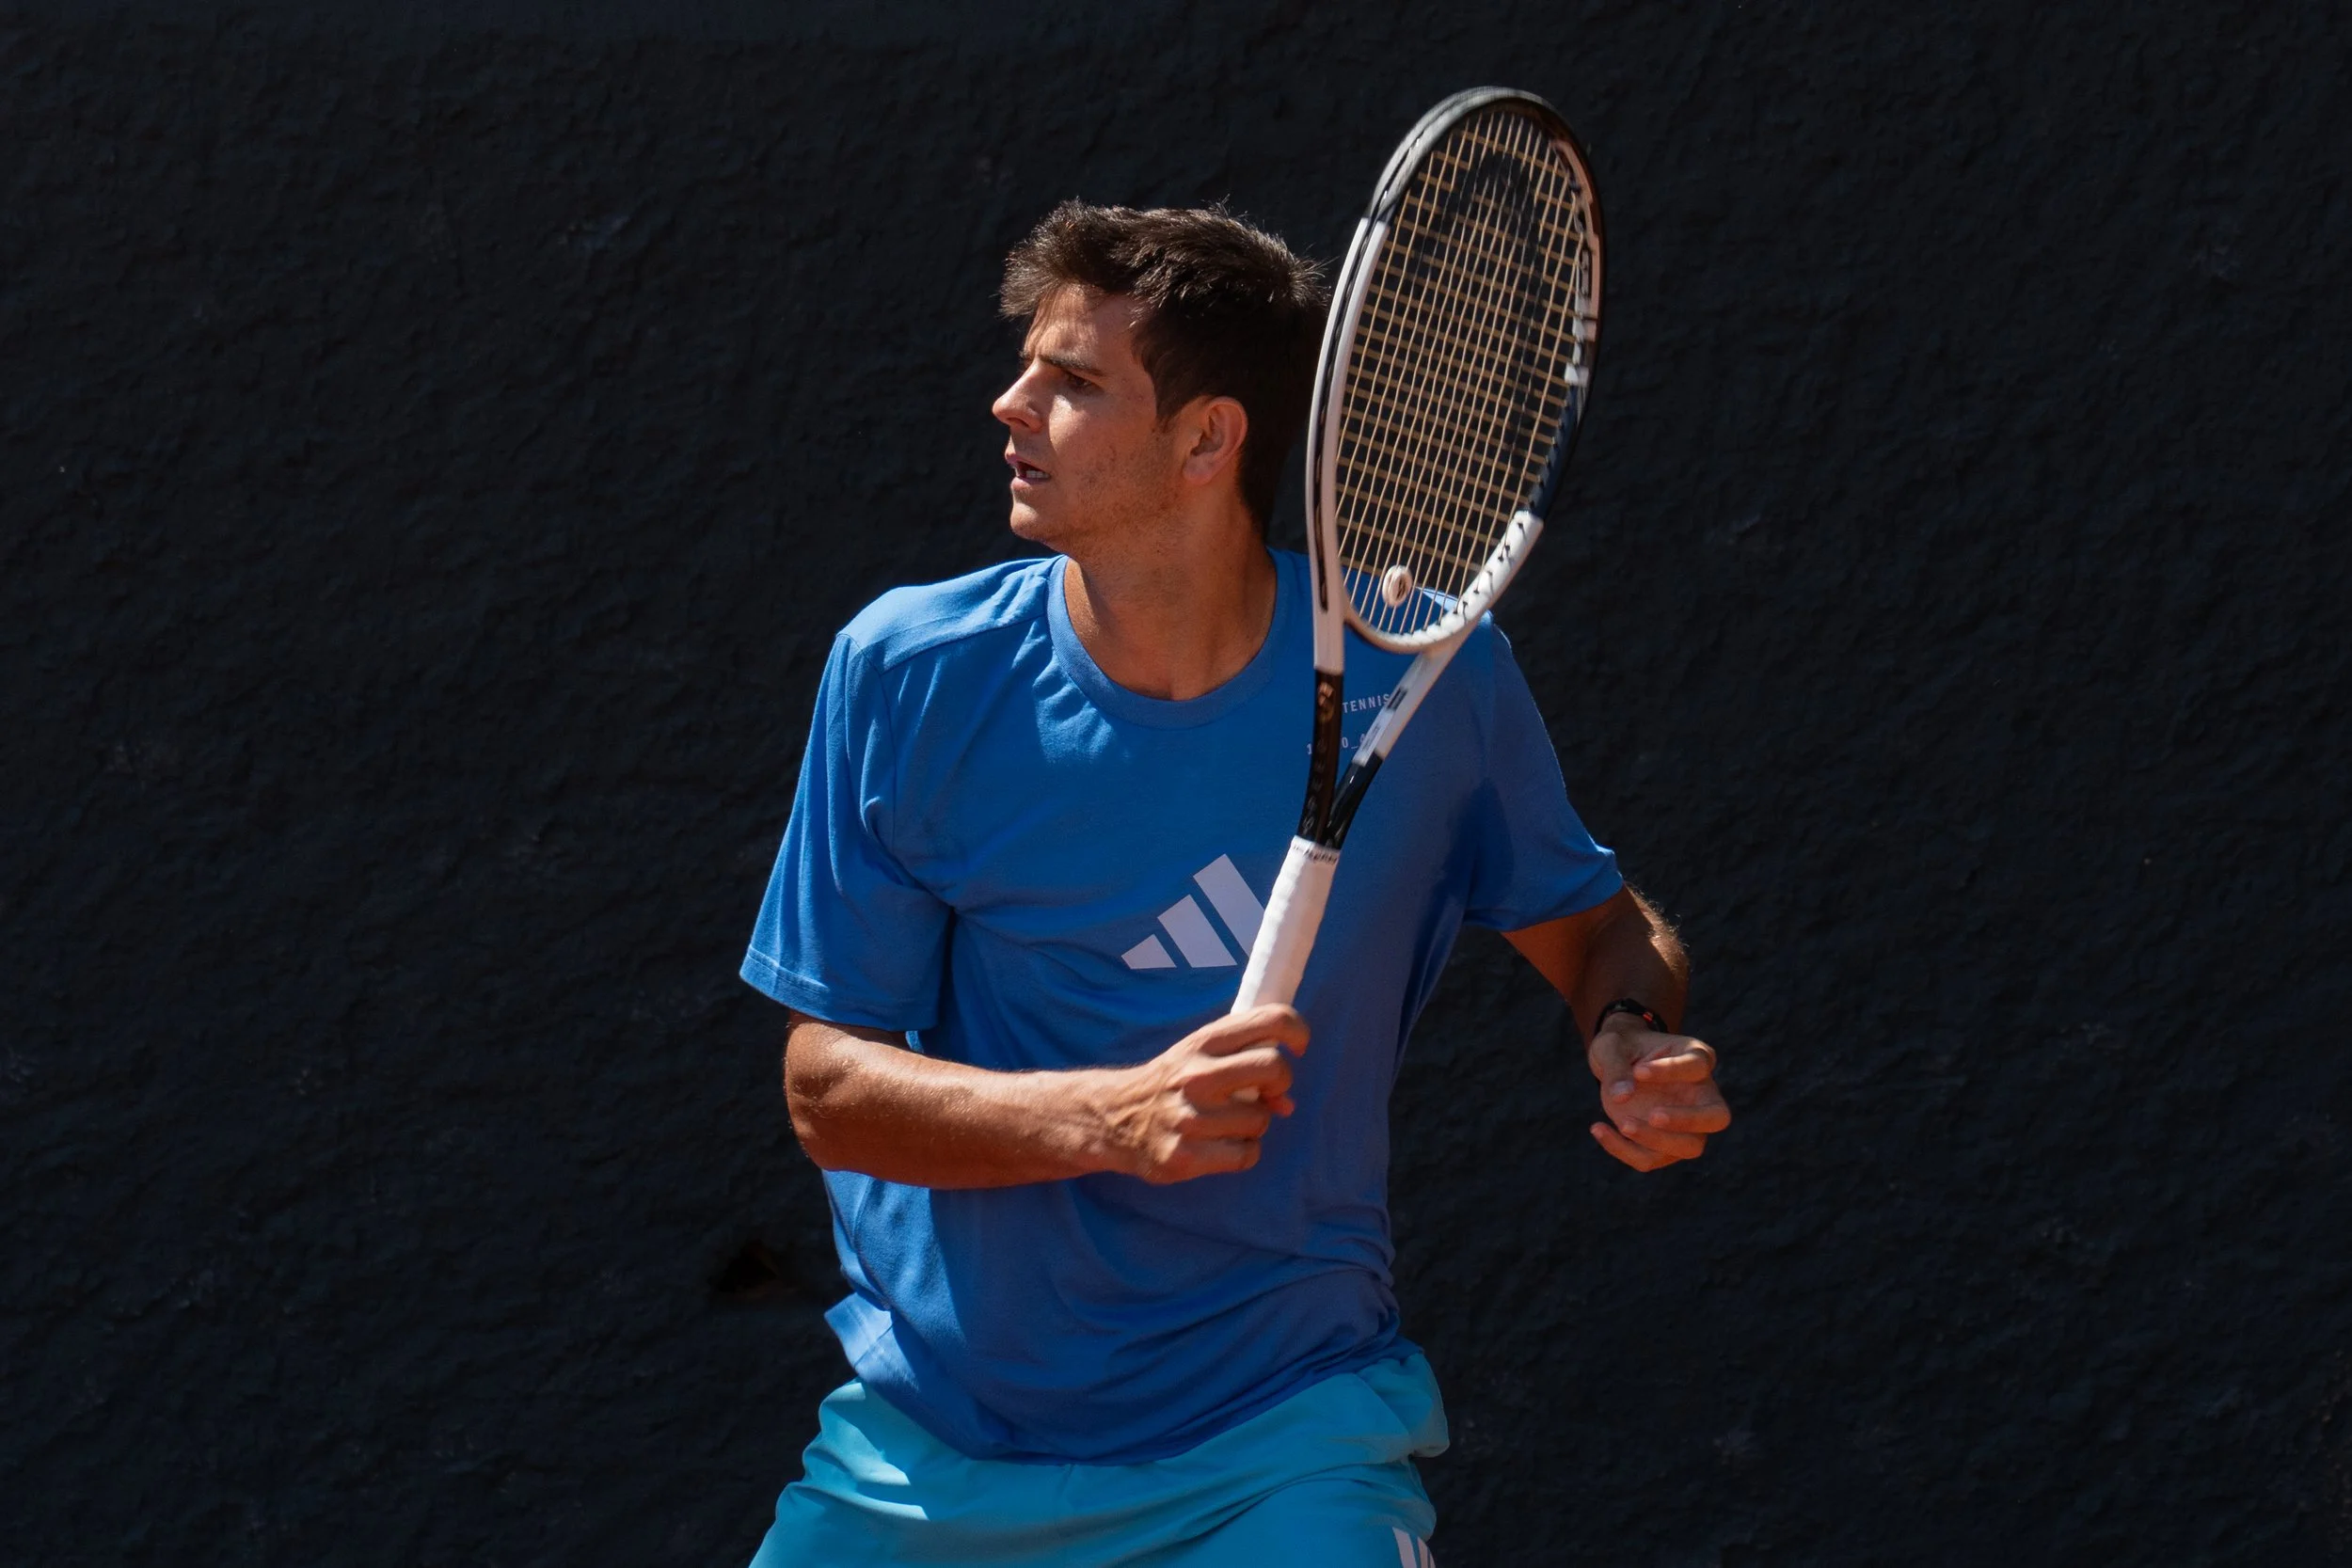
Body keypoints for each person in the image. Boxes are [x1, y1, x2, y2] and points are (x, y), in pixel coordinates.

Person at [739, 201, 1729, 1566]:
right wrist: (1115, 1114)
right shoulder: (908, 675)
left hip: (1276, 1446)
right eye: (1031, 365)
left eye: (1073, 381)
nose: (1010, 401)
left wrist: (1628, 1034)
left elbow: (1603, 931)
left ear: (1209, 439)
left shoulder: (1429, 679)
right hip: (932, 1455)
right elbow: (826, 1089)